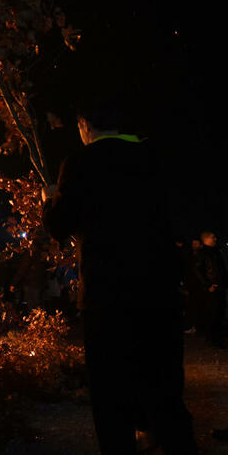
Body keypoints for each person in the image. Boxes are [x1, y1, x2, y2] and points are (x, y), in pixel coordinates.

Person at [43, 97, 196, 454]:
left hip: (107, 296)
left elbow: (60, 226)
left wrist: (49, 201)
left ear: (85, 126)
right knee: (164, 388)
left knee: (111, 394)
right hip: (159, 292)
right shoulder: (152, 156)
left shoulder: (80, 162)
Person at [194, 231, 226, 348]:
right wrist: (208, 285)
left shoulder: (215, 251)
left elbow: (220, 269)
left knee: (219, 313)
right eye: (213, 237)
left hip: (219, 287)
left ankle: (214, 338)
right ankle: (214, 339)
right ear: (206, 239)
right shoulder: (202, 253)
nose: (215, 239)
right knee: (214, 313)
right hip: (213, 288)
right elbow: (198, 271)